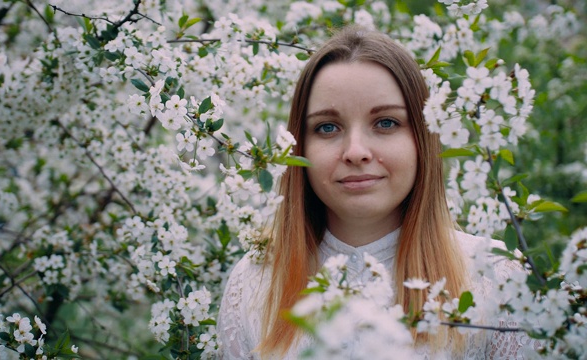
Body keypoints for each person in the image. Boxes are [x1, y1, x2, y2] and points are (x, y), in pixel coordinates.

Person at [217, 27, 537, 359]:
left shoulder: (495, 277)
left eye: (385, 123)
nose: (356, 152)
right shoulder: (255, 284)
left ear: (422, 139)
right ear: (300, 146)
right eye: (327, 127)